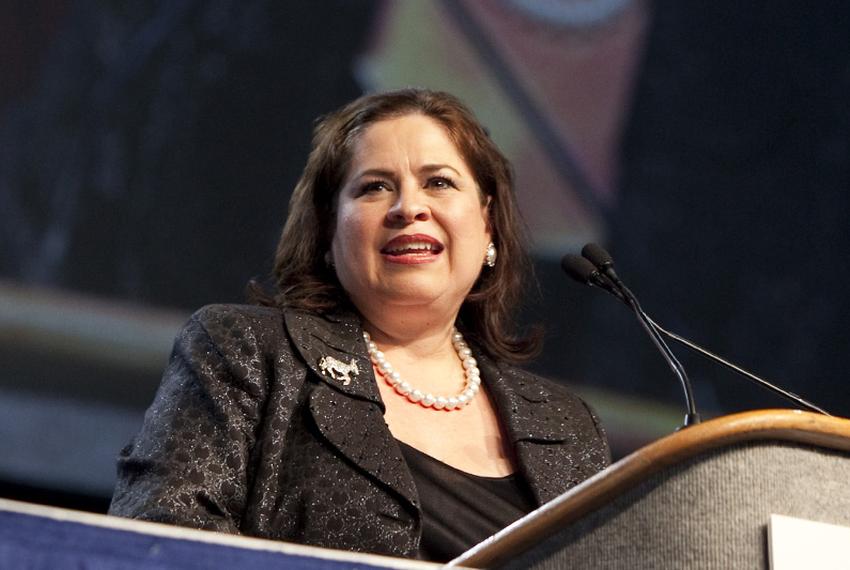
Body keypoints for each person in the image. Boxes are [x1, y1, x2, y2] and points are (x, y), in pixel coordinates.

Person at [108, 88, 610, 562]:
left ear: (488, 226)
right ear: (328, 232)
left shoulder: (567, 426)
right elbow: (155, 544)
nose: (409, 208)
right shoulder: (246, 352)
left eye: (439, 182)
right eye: (375, 187)